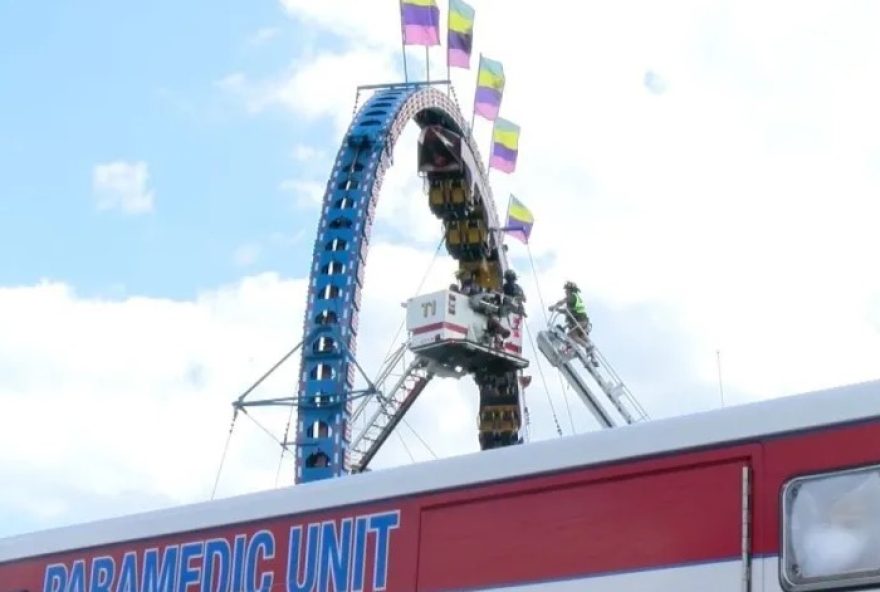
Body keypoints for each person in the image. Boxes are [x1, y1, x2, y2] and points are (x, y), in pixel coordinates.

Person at [550, 281, 594, 354]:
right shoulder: (576, 298)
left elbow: (563, 302)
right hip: (584, 321)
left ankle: (587, 347)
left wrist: (555, 306)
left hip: (580, 321)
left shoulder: (572, 297)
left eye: (566, 290)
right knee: (581, 336)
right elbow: (568, 311)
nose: (565, 292)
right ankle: (591, 353)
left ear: (570, 290)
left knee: (571, 335)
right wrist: (557, 309)